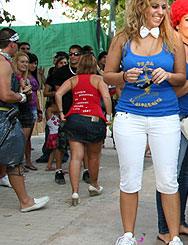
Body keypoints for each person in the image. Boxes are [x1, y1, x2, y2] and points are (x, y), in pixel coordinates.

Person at [104, 0, 187, 245]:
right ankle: (128, 235)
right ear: (141, 7)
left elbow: (182, 77)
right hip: (129, 116)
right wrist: (122, 76)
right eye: (155, 6)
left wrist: (169, 76)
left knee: (168, 179)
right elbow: (107, 75)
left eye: (164, 7)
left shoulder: (173, 38)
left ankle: (174, 239)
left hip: (165, 117)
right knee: (129, 179)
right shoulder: (122, 38)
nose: (160, 12)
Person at [155, 0, 188, 243]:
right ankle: (164, 227)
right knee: (171, 175)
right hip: (176, 116)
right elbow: (173, 92)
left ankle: (180, 222)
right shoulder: (171, 47)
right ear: (176, 22)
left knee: (186, 174)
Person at [0, 28, 49, 211]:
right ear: (12, 44)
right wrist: (21, 96)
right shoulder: (3, 64)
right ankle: (26, 201)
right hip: (5, 118)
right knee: (14, 159)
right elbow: (5, 95)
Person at [55, 54, 111, 205]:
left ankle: (75, 192)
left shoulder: (73, 80)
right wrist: (109, 115)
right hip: (94, 119)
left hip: (74, 118)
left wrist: (61, 113)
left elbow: (58, 93)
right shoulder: (99, 80)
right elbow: (106, 97)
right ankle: (94, 185)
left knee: (75, 157)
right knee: (93, 156)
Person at [12, 52, 37, 171]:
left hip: (26, 112)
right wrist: (21, 93)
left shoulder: (26, 80)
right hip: (14, 112)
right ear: (16, 63)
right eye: (22, 62)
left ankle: (21, 165)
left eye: (26, 62)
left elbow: (29, 99)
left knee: (23, 141)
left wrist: (28, 93)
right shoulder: (11, 78)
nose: (25, 64)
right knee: (14, 141)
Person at [44, 101, 63, 172]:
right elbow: (59, 109)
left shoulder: (54, 113)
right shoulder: (49, 110)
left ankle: (49, 165)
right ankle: (58, 167)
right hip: (54, 133)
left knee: (54, 151)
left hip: (55, 133)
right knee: (57, 151)